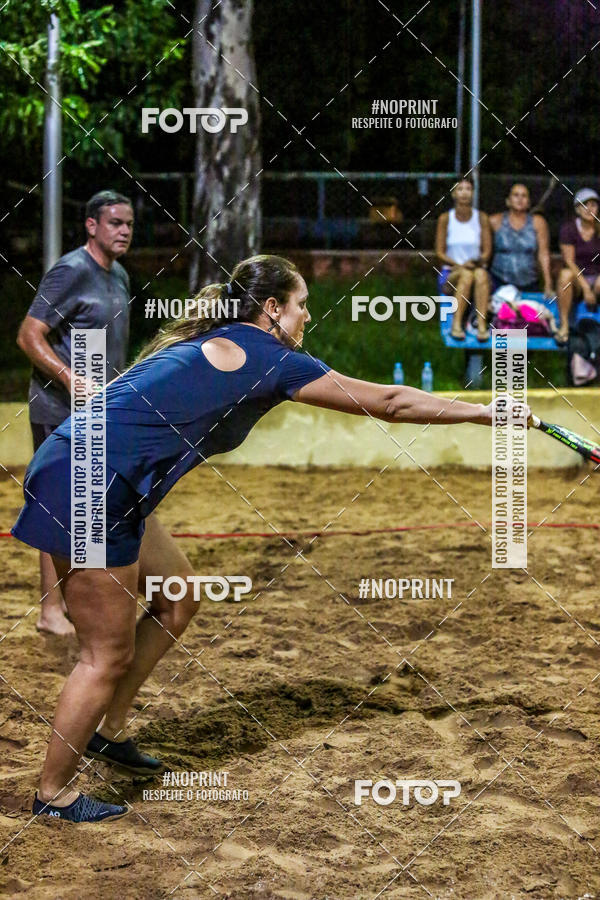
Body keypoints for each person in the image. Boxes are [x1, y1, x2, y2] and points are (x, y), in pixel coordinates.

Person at [11, 254, 527, 824]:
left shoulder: (219, 338)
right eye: (302, 305)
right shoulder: (271, 359)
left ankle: (106, 732)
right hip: (91, 484)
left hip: (95, 473)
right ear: (273, 309)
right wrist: (486, 411)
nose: (309, 316)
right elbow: (390, 401)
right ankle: (52, 794)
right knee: (104, 654)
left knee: (178, 595)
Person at [16, 190, 134, 635]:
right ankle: (50, 611)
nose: (124, 231)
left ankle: (70, 606)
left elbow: (104, 347)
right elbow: (29, 336)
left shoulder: (119, 275)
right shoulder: (71, 270)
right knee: (59, 508)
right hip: (56, 409)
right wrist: (69, 377)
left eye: (129, 224)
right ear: (91, 225)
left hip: (96, 410)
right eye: (115, 223)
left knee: (85, 510)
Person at [435, 177, 492, 342]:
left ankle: (481, 325)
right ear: (453, 194)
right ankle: (456, 324)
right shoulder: (446, 219)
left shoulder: (481, 218)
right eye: (460, 189)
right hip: (451, 272)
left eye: (468, 189)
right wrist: (460, 265)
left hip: (477, 269)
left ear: (473, 193)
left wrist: (474, 263)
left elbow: (487, 252)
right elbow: (439, 252)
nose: (464, 193)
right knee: (466, 275)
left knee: (479, 274)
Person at [489, 183, 553, 301]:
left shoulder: (538, 222)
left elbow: (543, 254)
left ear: (528, 202)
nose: (520, 199)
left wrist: (548, 283)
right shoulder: (494, 221)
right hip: (499, 281)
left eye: (524, 196)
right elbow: (485, 251)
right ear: (508, 201)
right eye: (516, 195)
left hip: (529, 282)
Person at [556, 188, 600, 344]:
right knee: (564, 275)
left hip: (597, 280)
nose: (589, 209)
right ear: (577, 208)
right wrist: (586, 288)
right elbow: (569, 261)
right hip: (578, 281)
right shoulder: (568, 229)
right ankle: (564, 326)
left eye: (593, 205)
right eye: (584, 205)